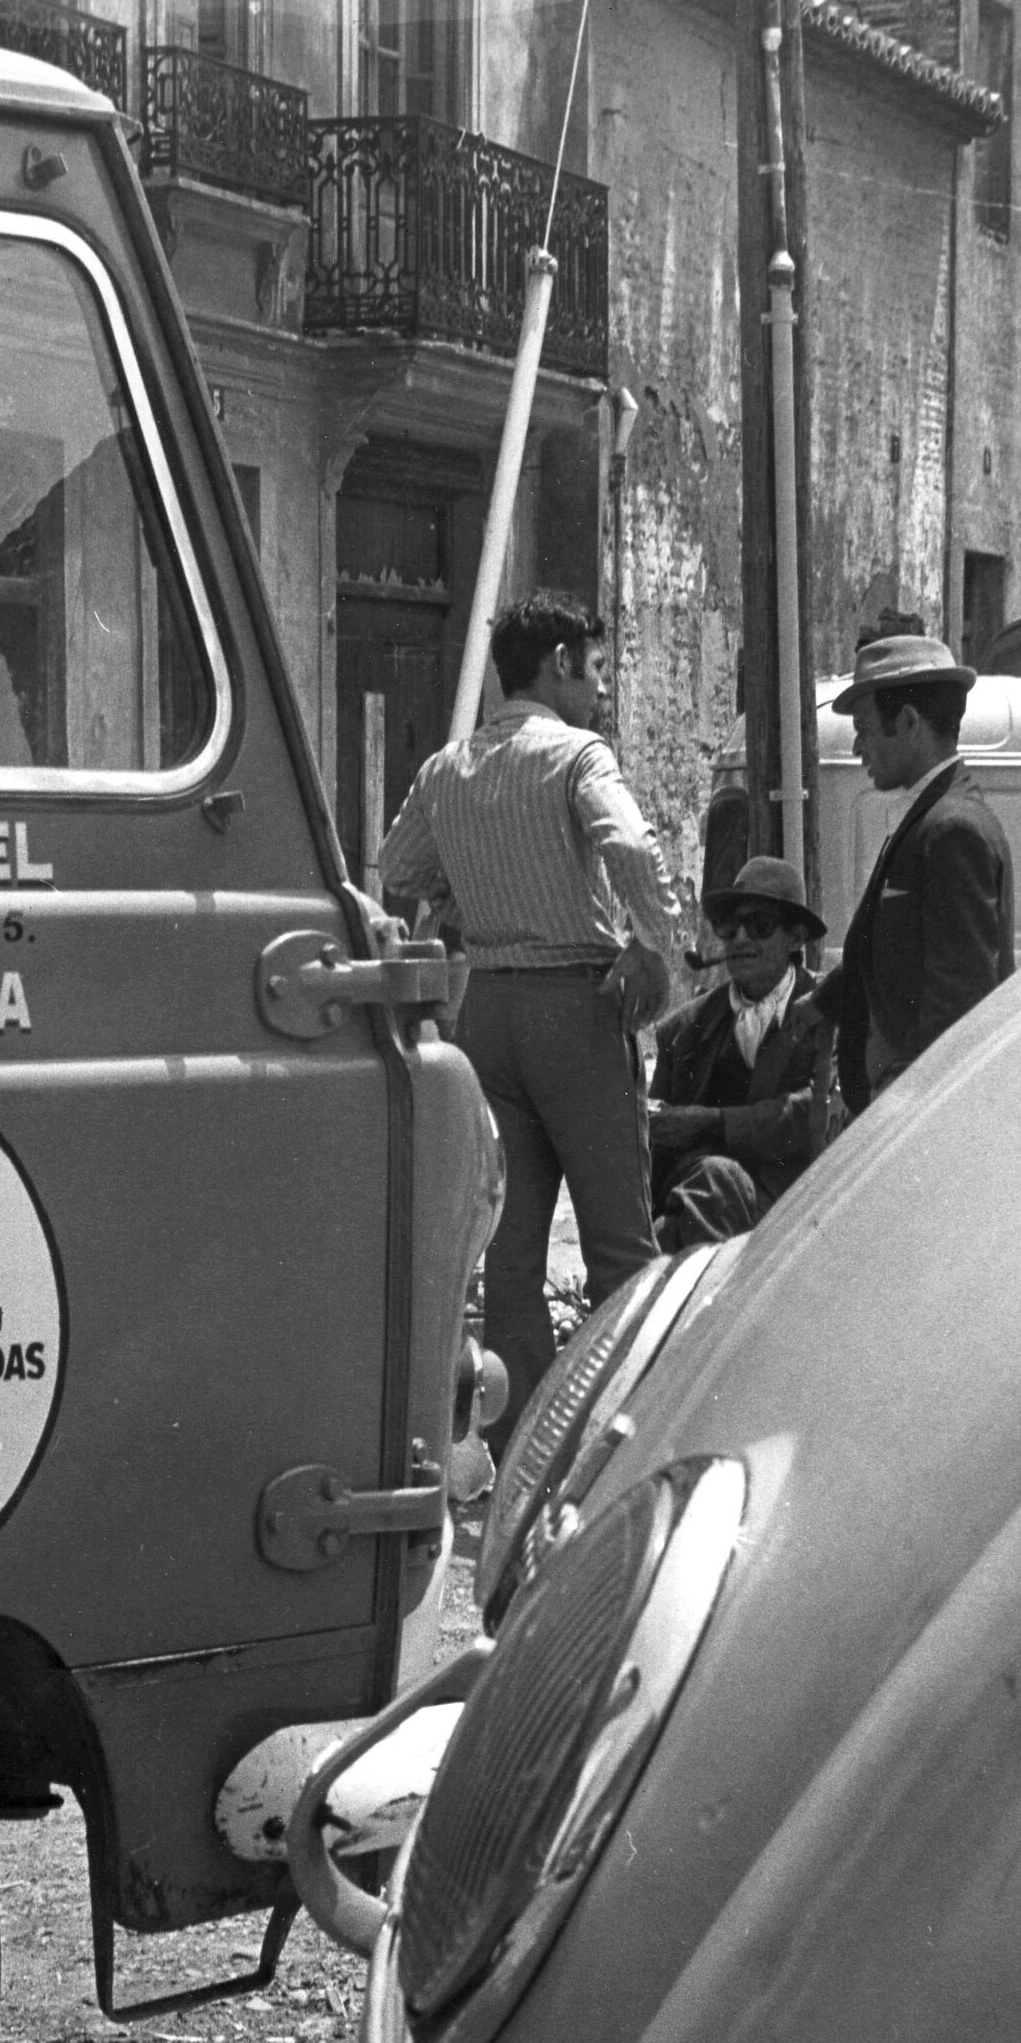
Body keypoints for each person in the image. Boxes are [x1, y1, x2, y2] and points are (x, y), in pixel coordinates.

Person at [378, 592, 681, 1441]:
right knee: (619, 1242)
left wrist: (469, 893)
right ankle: (630, 1431)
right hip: (576, 1008)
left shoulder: (446, 768)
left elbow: (399, 867)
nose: (599, 691)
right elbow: (626, 845)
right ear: (558, 662)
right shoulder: (579, 755)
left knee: (509, 1258)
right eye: (592, 669)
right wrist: (655, 944)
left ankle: (521, 1447)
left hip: (490, 1015)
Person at [805, 628, 1012, 1115]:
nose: (859, 749)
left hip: (915, 1116)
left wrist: (899, 1106)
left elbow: (958, 1001)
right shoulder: (932, 814)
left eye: (866, 729)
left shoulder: (951, 828)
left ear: (909, 721)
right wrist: (827, 999)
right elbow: (894, 944)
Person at [648, 855, 834, 1249]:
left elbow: (817, 1111)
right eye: (730, 927)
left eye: (761, 925)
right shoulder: (681, 1033)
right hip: (702, 1211)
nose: (742, 939)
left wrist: (713, 1122)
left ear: (796, 939)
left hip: (801, 1217)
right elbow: (655, 1149)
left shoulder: (830, 1011)